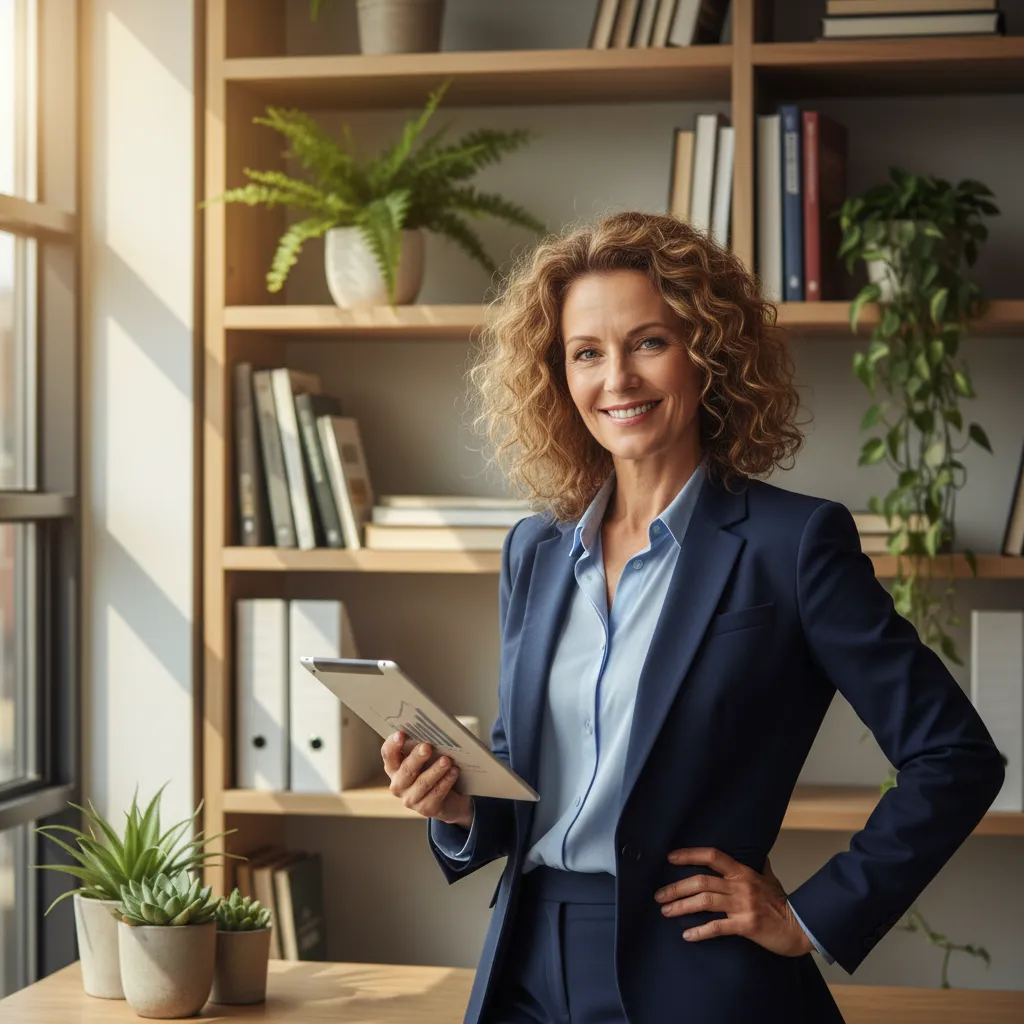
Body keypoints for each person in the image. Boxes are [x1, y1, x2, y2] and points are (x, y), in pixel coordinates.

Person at [380, 211, 1005, 1024]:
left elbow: (954, 756)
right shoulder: (535, 550)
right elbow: (528, 767)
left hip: (693, 974)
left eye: (648, 342)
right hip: (524, 962)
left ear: (707, 353)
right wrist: (460, 805)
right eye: (587, 353)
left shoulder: (793, 543)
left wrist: (809, 916)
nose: (618, 381)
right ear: (559, 377)